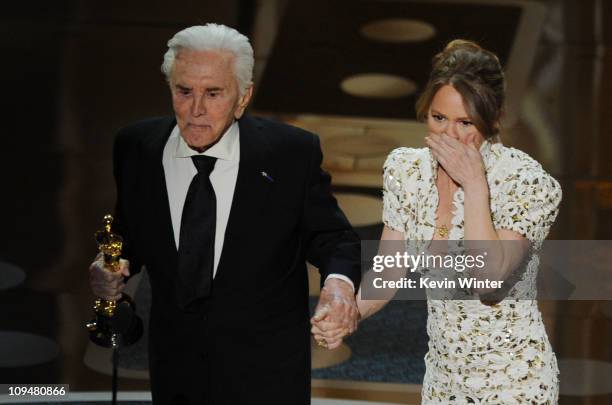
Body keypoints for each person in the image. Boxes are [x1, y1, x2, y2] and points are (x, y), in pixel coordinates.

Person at [88, 23, 360, 405]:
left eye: (213, 93)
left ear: (242, 98)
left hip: (268, 375)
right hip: (174, 370)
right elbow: (129, 231)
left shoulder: (289, 154)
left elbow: (333, 238)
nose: (196, 109)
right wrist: (109, 265)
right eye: (184, 91)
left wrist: (338, 287)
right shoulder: (137, 148)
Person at [312, 39, 562, 403]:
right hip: (443, 380)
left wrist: (475, 185)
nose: (449, 135)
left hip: (515, 381)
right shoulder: (407, 170)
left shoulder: (524, 182)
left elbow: (488, 279)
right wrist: (347, 311)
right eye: (439, 118)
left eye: (465, 123)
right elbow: (388, 273)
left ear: (493, 121)